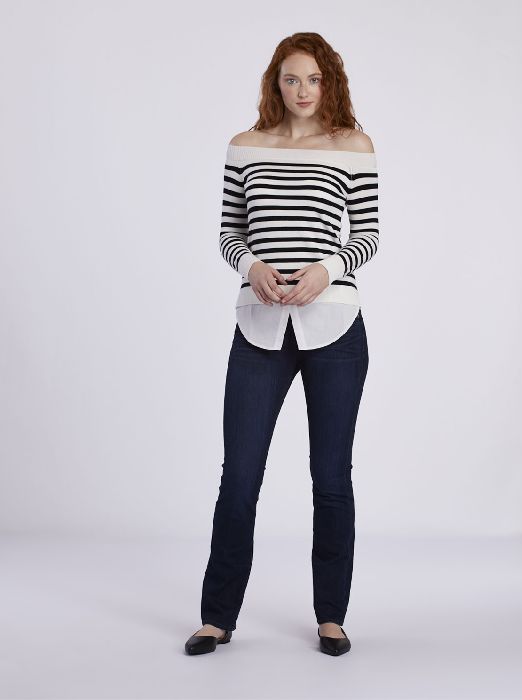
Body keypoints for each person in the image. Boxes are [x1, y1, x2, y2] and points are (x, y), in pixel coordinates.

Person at [185, 31, 379, 657]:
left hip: (334, 327)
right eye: (292, 79)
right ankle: (217, 618)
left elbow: (369, 234)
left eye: (314, 79)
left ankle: (331, 616)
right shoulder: (246, 145)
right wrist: (252, 267)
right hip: (259, 327)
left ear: (330, 82)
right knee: (239, 476)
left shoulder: (352, 147)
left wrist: (328, 269)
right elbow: (229, 230)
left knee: (331, 477)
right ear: (276, 82)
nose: (303, 90)